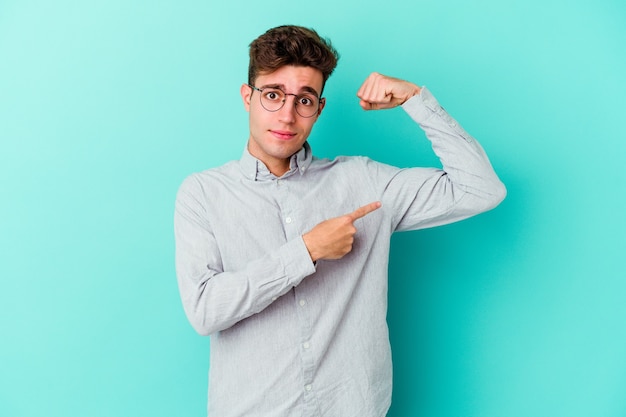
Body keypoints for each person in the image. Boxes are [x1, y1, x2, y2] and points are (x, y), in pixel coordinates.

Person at [174, 25, 506, 417]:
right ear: (248, 97)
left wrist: (416, 100)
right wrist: (307, 250)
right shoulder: (203, 193)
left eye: (304, 100)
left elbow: (482, 190)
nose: (287, 114)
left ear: (320, 108)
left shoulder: (363, 181)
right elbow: (205, 310)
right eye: (273, 95)